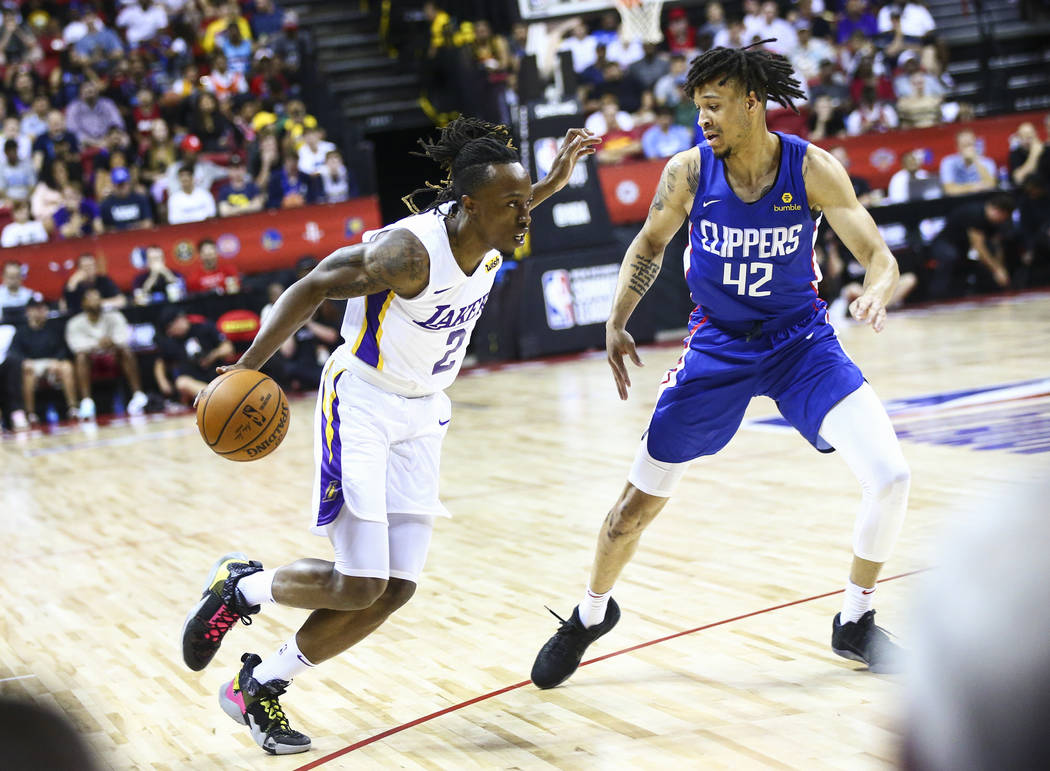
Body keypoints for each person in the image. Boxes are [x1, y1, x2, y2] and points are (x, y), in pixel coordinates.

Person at [178, 117, 598, 755]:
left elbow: (513, 203)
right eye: (513, 204)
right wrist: (248, 366)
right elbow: (313, 284)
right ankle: (242, 588)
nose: (524, 214)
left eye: (525, 201)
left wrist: (554, 181)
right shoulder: (407, 255)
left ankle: (259, 683)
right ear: (468, 207)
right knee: (360, 581)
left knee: (396, 588)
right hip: (365, 403)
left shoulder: (490, 227)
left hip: (425, 410)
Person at [530, 44, 912, 691]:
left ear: (752, 102)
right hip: (718, 347)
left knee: (892, 475)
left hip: (801, 344)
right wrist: (617, 318)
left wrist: (875, 288)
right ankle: (590, 614)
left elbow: (879, 254)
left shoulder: (811, 168)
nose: (702, 118)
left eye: (713, 105)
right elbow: (648, 244)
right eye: (697, 106)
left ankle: (855, 618)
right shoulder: (686, 172)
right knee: (631, 509)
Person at [64, 288, 148, 419]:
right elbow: (75, 346)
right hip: (90, 359)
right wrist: (98, 345)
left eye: (97, 298)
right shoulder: (75, 323)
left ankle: (138, 395)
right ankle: (87, 401)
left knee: (126, 351)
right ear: (83, 304)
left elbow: (124, 337)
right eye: (90, 298)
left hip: (113, 356)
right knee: (80, 357)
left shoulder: (114, 316)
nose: (95, 301)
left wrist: (112, 343)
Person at [927, 193, 1015, 298]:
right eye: (1003, 217)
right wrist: (996, 270)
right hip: (944, 244)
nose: (1002, 221)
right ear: (998, 211)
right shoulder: (975, 214)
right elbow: (979, 247)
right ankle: (938, 297)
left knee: (976, 262)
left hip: (962, 248)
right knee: (950, 258)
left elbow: (996, 246)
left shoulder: (994, 223)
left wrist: (1000, 266)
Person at [10, 298, 78, 423]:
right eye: (38, 308)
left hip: (52, 362)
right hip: (33, 364)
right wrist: (25, 361)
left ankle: (73, 408)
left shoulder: (55, 327)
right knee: (27, 371)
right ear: (29, 311)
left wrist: (57, 360)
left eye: (44, 308)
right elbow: (14, 353)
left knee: (67, 367)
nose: (42, 311)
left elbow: (63, 348)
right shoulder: (21, 331)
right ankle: (30, 413)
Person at [154, 308, 233, 403]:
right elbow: (160, 363)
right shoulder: (171, 342)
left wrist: (213, 356)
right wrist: (163, 382)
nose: (169, 332)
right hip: (194, 382)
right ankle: (215, 398)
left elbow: (228, 348)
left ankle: (216, 397)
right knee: (181, 382)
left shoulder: (204, 327)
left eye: (170, 327)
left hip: (216, 375)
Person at [939, 130, 997, 196]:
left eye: (970, 144)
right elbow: (949, 189)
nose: (968, 149)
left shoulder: (987, 162)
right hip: (957, 202)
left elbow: (991, 185)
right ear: (957, 147)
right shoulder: (948, 162)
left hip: (981, 200)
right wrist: (974, 187)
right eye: (964, 145)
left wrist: (975, 161)